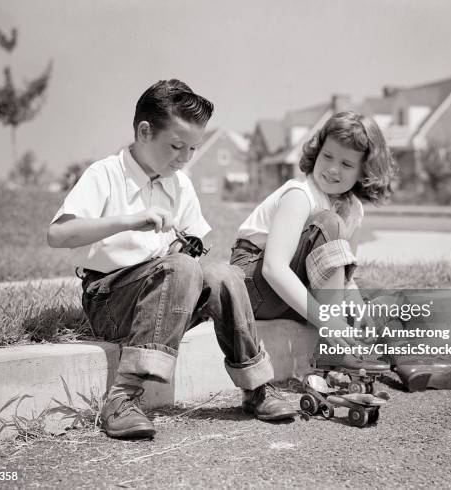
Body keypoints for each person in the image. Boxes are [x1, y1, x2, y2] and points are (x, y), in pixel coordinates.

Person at [47, 79, 296, 440]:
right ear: (145, 132)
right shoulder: (106, 174)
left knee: (224, 274)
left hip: (167, 296)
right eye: (176, 146)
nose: (184, 158)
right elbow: (57, 234)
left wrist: (187, 251)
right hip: (109, 299)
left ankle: (256, 387)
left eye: (192, 149)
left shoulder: (180, 184)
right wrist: (132, 218)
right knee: (178, 267)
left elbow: (192, 248)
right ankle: (122, 396)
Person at [230, 111, 451, 392]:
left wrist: (361, 317)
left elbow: (344, 279)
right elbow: (274, 267)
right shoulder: (300, 194)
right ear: (317, 152)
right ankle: (335, 356)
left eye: (346, 163)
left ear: (364, 172)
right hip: (254, 284)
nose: (333, 169)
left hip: (296, 286)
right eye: (327, 156)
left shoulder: (353, 209)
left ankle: (412, 366)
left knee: (379, 294)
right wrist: (331, 322)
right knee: (328, 223)